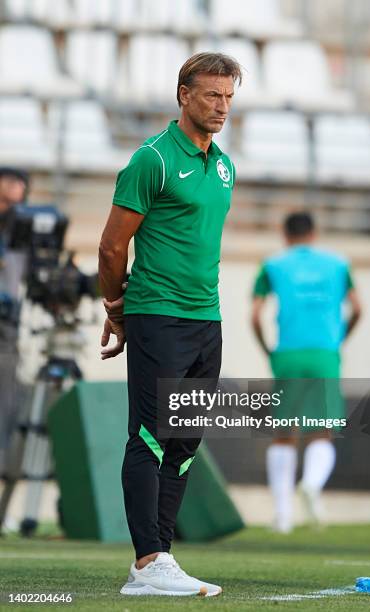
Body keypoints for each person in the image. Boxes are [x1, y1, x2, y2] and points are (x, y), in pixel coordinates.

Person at [98, 52, 241, 597]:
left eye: (228, 96)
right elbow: (113, 245)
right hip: (158, 314)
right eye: (211, 95)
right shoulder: (151, 160)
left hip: (208, 319)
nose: (221, 106)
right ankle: (148, 559)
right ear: (183, 94)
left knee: (185, 439)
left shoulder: (225, 166)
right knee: (150, 436)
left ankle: (162, 560)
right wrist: (117, 307)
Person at [251, 212, 362, 533]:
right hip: (324, 352)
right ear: (314, 233)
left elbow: (256, 316)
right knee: (322, 430)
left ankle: (283, 517)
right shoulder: (339, 264)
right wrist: (339, 340)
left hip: (287, 353)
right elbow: (358, 307)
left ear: (285, 235)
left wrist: (267, 350)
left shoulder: (272, 264)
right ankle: (312, 485)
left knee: (284, 434)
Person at [0, 167, 29, 474]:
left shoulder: (25, 229)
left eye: (20, 183)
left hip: (7, 325)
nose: (15, 187)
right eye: (9, 180)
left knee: (7, 396)